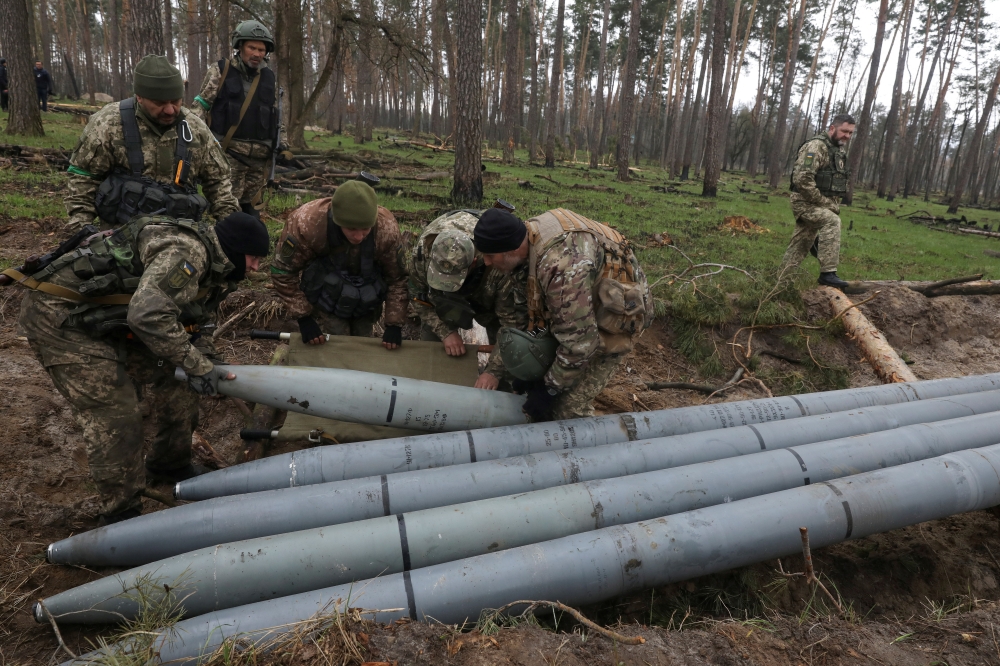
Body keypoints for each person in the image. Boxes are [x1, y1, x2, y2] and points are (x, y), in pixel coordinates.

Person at [10, 212, 271, 525]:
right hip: (61, 317)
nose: (256, 268)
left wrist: (205, 360)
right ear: (234, 248)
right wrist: (196, 364)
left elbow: (196, 319)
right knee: (114, 410)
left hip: (111, 318)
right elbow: (148, 315)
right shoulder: (186, 255)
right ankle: (121, 512)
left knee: (181, 380)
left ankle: (170, 464)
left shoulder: (218, 267)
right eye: (254, 258)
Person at [473, 208, 652, 421]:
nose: (486, 262)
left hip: (615, 321)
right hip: (580, 310)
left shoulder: (561, 267)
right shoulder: (527, 241)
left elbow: (580, 344)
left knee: (567, 407)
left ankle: (581, 451)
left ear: (510, 249)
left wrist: (549, 389)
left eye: (490, 255)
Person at [64, 55, 238, 232]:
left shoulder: (195, 129)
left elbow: (219, 184)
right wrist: (82, 230)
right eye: (160, 103)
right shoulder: (108, 124)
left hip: (182, 236)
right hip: (120, 238)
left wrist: (233, 229)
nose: (170, 110)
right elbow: (83, 178)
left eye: (176, 101)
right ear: (140, 97)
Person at [270, 180, 408, 348]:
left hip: (367, 297)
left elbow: (398, 278)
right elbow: (282, 271)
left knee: (363, 345)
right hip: (324, 296)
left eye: (365, 229)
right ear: (337, 220)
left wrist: (394, 323)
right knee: (333, 346)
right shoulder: (307, 224)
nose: (359, 237)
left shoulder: (386, 229)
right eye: (351, 229)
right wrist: (304, 317)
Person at [407, 208, 519, 390]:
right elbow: (416, 295)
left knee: (507, 361)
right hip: (440, 300)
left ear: (474, 262)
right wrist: (445, 332)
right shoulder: (422, 254)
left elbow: (511, 325)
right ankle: (431, 392)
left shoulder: (498, 264)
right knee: (431, 354)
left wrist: (494, 372)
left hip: (487, 294)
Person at [192, 20, 288, 218]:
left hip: (260, 159)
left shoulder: (269, 77)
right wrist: (194, 141)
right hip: (229, 155)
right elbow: (201, 106)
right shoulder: (221, 70)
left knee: (253, 212)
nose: (257, 53)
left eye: (261, 49)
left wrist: (283, 144)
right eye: (252, 47)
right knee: (227, 212)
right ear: (240, 46)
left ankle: (249, 248)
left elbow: (276, 115)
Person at [779, 113, 857, 289]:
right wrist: (826, 203)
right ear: (832, 128)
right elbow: (802, 180)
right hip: (805, 202)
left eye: (851, 133)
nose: (847, 136)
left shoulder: (837, 149)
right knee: (832, 221)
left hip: (817, 202)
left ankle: (781, 282)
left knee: (801, 243)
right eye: (844, 131)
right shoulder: (816, 146)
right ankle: (827, 274)